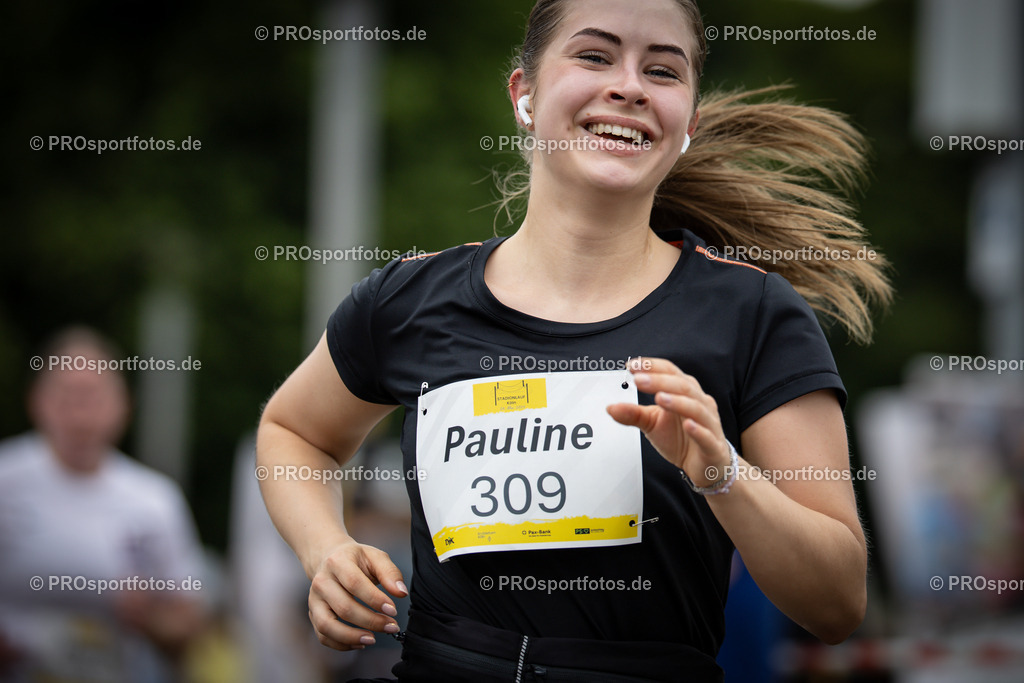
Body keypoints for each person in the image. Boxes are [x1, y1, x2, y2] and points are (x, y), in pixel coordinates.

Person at [257, 1, 892, 680]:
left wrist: (723, 474)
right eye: (594, 56)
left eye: (662, 70)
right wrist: (323, 548)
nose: (630, 86)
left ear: (688, 123)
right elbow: (295, 430)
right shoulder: (407, 300)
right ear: (523, 94)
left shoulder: (756, 314)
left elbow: (837, 602)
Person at [0, 327, 208, 682]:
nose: (80, 416)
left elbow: (191, 623)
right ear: (37, 401)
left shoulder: (154, 499)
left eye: (93, 397)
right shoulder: (6, 480)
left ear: (123, 405)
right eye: (67, 396)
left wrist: (150, 619)